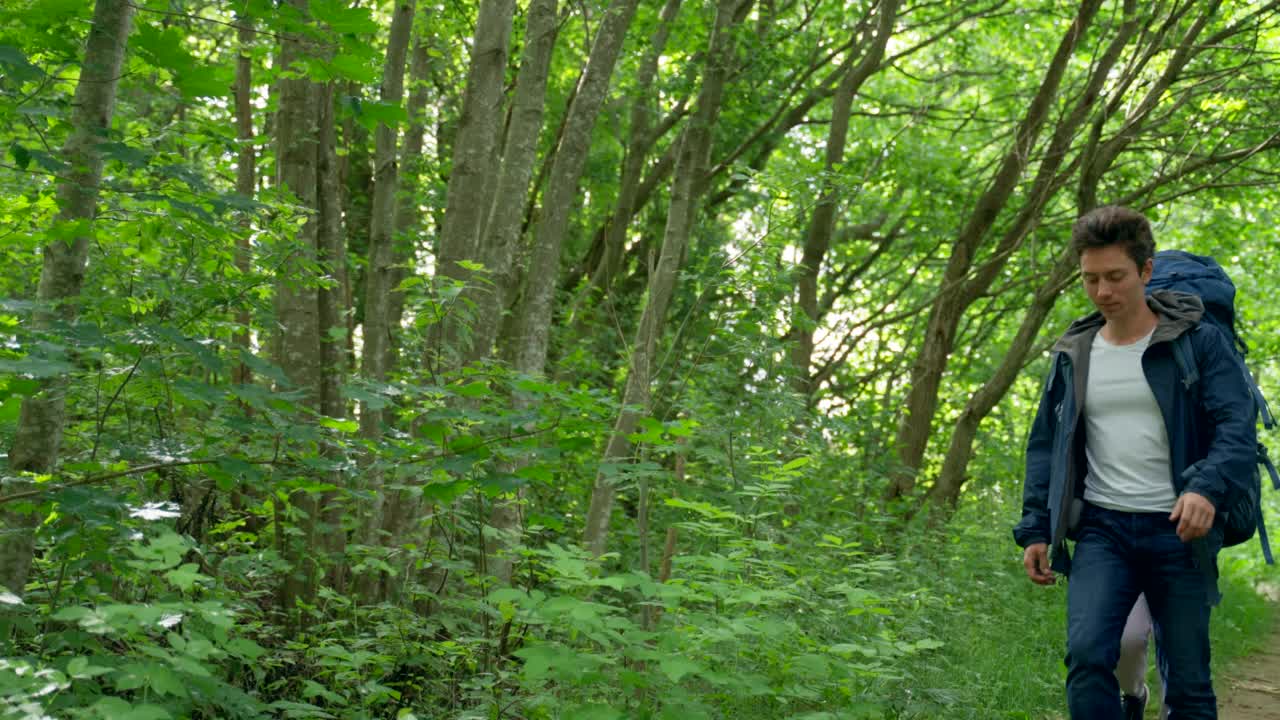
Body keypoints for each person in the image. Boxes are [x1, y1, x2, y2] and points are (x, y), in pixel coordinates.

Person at [1012, 205, 1257, 719]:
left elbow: (1235, 429)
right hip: (1104, 530)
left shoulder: (1198, 342)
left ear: (1145, 271)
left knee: (1189, 684)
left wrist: (1205, 488)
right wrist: (1037, 527)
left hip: (1179, 531)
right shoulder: (1074, 352)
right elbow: (1045, 447)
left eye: (1116, 276)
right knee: (1086, 657)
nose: (1103, 291)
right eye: (1091, 279)